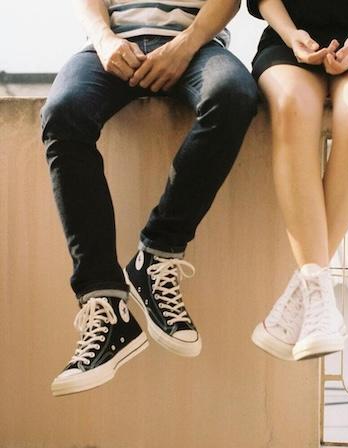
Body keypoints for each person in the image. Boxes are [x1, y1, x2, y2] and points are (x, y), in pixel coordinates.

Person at [41, 0, 258, 396]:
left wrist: (186, 44)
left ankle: (156, 254)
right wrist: (105, 40)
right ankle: (105, 303)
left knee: (234, 94)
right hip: (112, 46)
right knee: (62, 112)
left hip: (196, 47)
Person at [248, 0, 348, 361]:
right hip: (288, 43)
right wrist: (292, 36)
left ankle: (307, 293)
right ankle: (318, 298)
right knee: (291, 105)